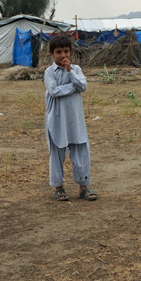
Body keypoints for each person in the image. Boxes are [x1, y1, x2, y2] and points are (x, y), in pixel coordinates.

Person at [44, 34, 97, 202]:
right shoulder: (49, 72)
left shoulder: (76, 70)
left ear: (70, 52)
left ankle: (84, 187)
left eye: (66, 51)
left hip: (75, 118)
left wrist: (70, 72)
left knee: (80, 150)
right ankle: (59, 187)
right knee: (57, 152)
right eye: (59, 52)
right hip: (57, 118)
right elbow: (54, 91)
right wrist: (73, 87)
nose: (63, 55)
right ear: (52, 54)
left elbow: (83, 86)